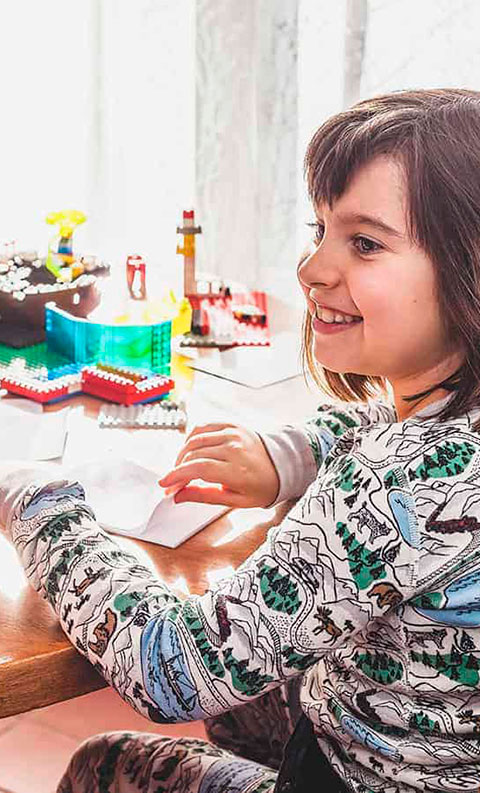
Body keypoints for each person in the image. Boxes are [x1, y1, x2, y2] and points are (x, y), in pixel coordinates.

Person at [2, 87, 480, 793]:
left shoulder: (393, 481)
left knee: (106, 763)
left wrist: (39, 503)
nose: (312, 269)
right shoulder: (451, 426)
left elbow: (172, 665)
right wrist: (287, 455)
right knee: (252, 695)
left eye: (366, 242)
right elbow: (382, 421)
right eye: (319, 229)